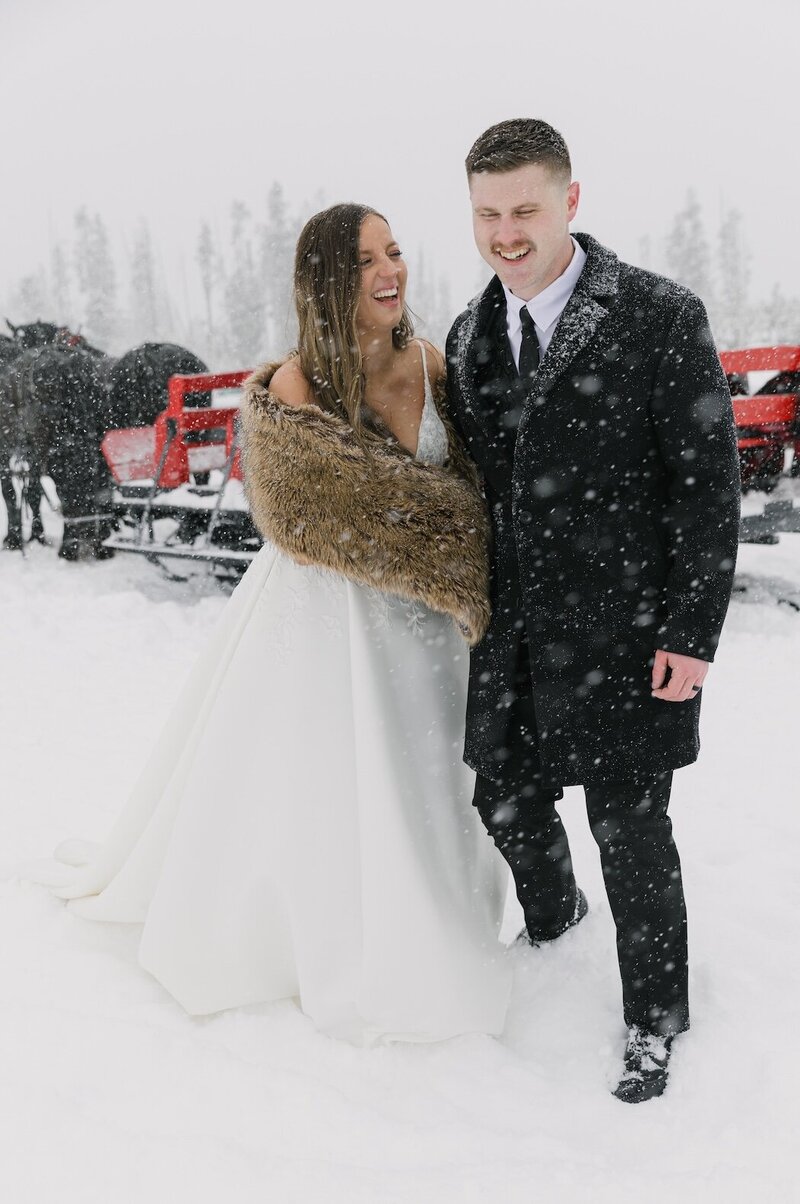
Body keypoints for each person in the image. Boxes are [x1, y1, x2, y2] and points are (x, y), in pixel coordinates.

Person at [38, 203, 511, 1045]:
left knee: (428, 776)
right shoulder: (297, 383)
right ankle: (321, 928)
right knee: (327, 775)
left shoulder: (435, 366)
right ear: (329, 279)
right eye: (366, 259)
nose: (388, 271)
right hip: (331, 616)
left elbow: (474, 486)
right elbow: (307, 511)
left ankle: (435, 909)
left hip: (428, 625)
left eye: (395, 252)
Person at [444, 119, 740, 1102]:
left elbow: (705, 488)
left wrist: (689, 635)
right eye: (487, 213)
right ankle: (555, 928)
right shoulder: (468, 333)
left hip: (626, 631)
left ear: (569, 199)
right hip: (516, 637)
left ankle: (653, 1021)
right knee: (502, 800)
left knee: (630, 827)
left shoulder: (656, 315)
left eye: (523, 208)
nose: (505, 232)